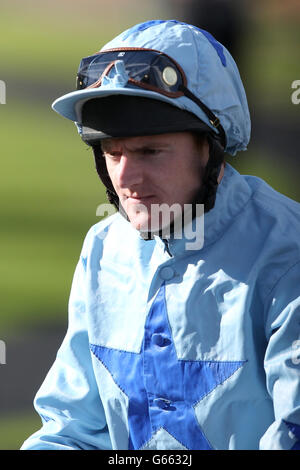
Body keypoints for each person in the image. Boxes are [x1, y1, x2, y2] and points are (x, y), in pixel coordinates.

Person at [21, 20, 300, 451]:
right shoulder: (102, 248)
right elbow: (71, 427)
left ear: (211, 147)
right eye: (112, 153)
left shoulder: (288, 253)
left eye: (150, 151)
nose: (126, 178)